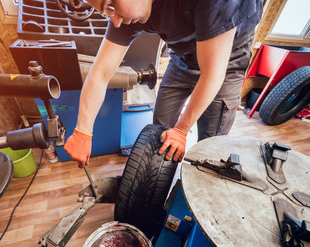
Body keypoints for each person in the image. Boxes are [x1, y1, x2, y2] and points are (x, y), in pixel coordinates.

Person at [64, 0, 263, 168]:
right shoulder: (126, 12)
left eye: (110, 4)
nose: (115, 21)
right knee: (159, 132)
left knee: (210, 145)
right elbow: (99, 73)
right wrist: (82, 131)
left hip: (225, 63)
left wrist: (182, 130)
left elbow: (213, 74)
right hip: (182, 58)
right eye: (105, 12)